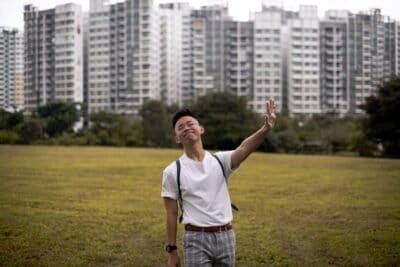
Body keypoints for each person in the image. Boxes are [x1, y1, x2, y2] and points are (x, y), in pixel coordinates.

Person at [161, 99, 277, 267]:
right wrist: (172, 251)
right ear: (177, 138)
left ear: (201, 129)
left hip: (226, 236)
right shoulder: (172, 171)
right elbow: (171, 214)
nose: (186, 128)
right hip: (195, 239)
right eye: (180, 128)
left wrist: (265, 129)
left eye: (190, 124)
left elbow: (244, 148)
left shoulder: (220, 161)